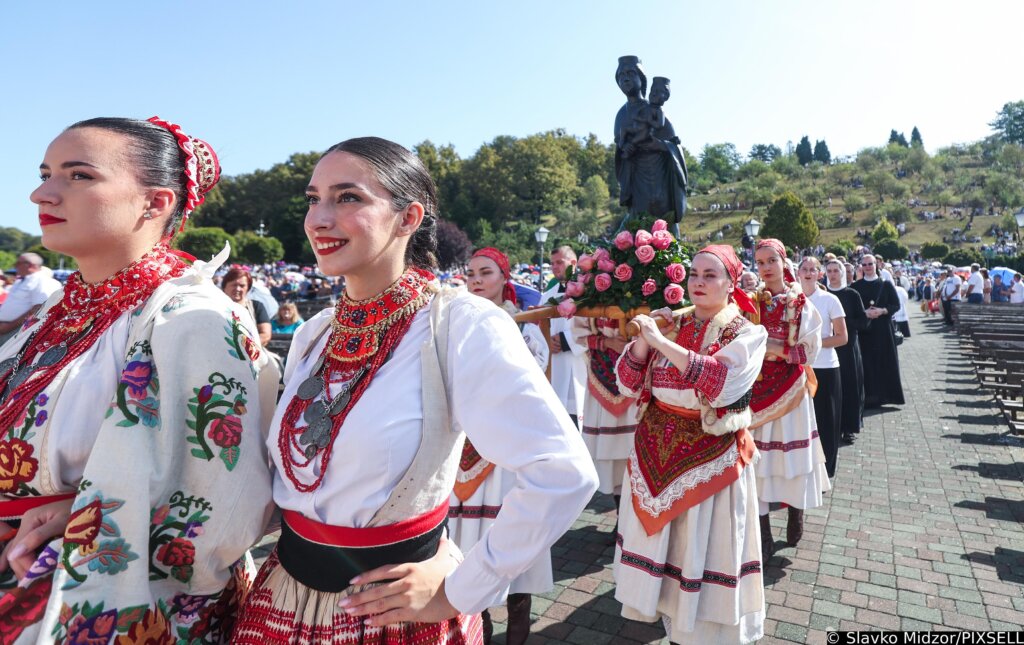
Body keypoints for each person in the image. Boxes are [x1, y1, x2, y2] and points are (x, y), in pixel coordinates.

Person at [232, 137, 598, 644]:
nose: (317, 219)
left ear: (408, 218)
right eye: (313, 198)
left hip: (393, 619)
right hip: (280, 601)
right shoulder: (316, 332)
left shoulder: (459, 325)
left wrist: (462, 588)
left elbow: (563, 472)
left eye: (348, 197)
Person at [0, 116, 277, 642]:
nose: (43, 191)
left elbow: (220, 499)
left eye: (78, 176)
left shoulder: (190, 315)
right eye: (45, 173)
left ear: (155, 204)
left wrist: (83, 514)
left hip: (107, 596)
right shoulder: (60, 307)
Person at [614, 244, 767, 645]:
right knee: (667, 566)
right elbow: (627, 384)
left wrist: (661, 342)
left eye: (710, 275)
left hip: (710, 462)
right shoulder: (672, 325)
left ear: (731, 284)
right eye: (693, 275)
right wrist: (648, 340)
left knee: (704, 555)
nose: (698, 283)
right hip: (657, 458)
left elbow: (719, 385)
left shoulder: (748, 333)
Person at [448, 247, 550, 645]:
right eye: (471, 273)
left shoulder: (524, 326)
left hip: (508, 451)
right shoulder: (456, 324)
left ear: (504, 277)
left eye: (485, 272)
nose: (475, 279)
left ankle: (517, 629)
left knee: (511, 539)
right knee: (469, 546)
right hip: (465, 447)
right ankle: (480, 631)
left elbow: (534, 377)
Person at [748, 239, 829, 562]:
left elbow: (810, 349)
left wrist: (775, 349)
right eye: (760, 262)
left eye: (771, 261)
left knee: (790, 459)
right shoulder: (749, 302)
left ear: (784, 262)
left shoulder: (799, 303)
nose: (766, 268)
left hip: (791, 391)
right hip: (755, 392)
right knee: (759, 463)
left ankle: (796, 511)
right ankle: (762, 529)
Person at [573, 311, 638, 531]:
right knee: (612, 454)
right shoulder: (589, 293)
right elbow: (578, 333)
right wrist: (607, 341)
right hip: (602, 375)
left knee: (634, 449)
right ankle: (621, 516)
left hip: (637, 374)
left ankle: (632, 518)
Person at [798, 258, 847, 478]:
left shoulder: (830, 300)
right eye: (804, 269)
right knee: (802, 421)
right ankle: (804, 468)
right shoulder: (793, 299)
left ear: (820, 274)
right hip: (798, 368)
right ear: (798, 272)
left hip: (825, 367)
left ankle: (826, 470)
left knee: (826, 420)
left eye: (813, 270)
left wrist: (813, 344)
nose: (808, 273)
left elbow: (842, 337)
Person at [850, 254, 905, 407]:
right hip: (864, 330)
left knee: (884, 362)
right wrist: (865, 313)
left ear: (877, 265)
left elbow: (895, 305)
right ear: (861, 266)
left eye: (870, 264)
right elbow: (853, 309)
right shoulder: (855, 287)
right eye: (865, 264)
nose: (868, 267)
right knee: (866, 363)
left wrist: (882, 311)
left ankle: (885, 396)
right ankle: (868, 397)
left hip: (883, 330)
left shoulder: (886, 284)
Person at [541, 245, 587, 427]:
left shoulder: (589, 292)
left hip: (580, 365)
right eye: (552, 263)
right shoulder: (547, 296)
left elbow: (596, 324)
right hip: (555, 366)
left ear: (574, 263)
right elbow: (536, 329)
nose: (554, 267)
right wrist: (546, 342)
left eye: (559, 262)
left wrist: (567, 341)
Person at [824, 259, 867, 445]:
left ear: (842, 273)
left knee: (850, 386)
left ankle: (849, 427)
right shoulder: (822, 294)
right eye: (830, 271)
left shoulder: (852, 294)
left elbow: (863, 321)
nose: (833, 274)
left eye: (836, 270)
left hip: (848, 349)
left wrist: (842, 326)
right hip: (827, 349)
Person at [0, 253, 61, 345]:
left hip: (17, 330)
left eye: (18, 263)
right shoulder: (23, 280)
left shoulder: (43, 281)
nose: (15, 266)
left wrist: (9, 326)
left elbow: (39, 309)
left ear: (30, 265)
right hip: (7, 328)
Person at [223, 265, 273, 345]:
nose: (238, 289)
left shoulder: (256, 306)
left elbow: (265, 334)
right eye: (234, 285)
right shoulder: (215, 306)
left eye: (242, 286)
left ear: (248, 288)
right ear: (224, 287)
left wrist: (245, 346)